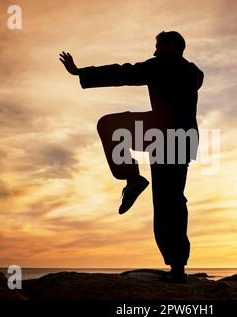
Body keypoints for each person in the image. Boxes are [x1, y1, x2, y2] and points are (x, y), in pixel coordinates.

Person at [59, 31, 204, 283]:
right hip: (175, 137)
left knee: (168, 201)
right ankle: (178, 267)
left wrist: (81, 72)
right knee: (170, 201)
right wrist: (83, 74)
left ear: (172, 46)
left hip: (167, 136)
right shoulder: (194, 72)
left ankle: (132, 178)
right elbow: (126, 72)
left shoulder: (165, 67)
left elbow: (122, 73)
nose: (154, 52)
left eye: (158, 46)